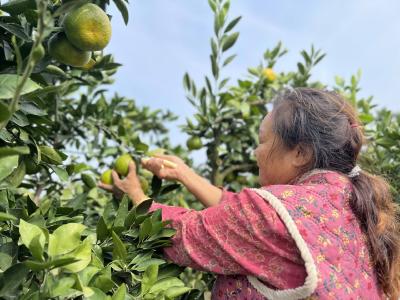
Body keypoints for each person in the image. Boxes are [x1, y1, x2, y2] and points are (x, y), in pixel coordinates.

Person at [99, 88, 400, 299]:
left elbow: (184, 235)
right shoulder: (354, 204)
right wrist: (185, 175)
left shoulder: (270, 213)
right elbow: (252, 221)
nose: (256, 152)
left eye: (263, 141)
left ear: (300, 152)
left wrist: (136, 197)